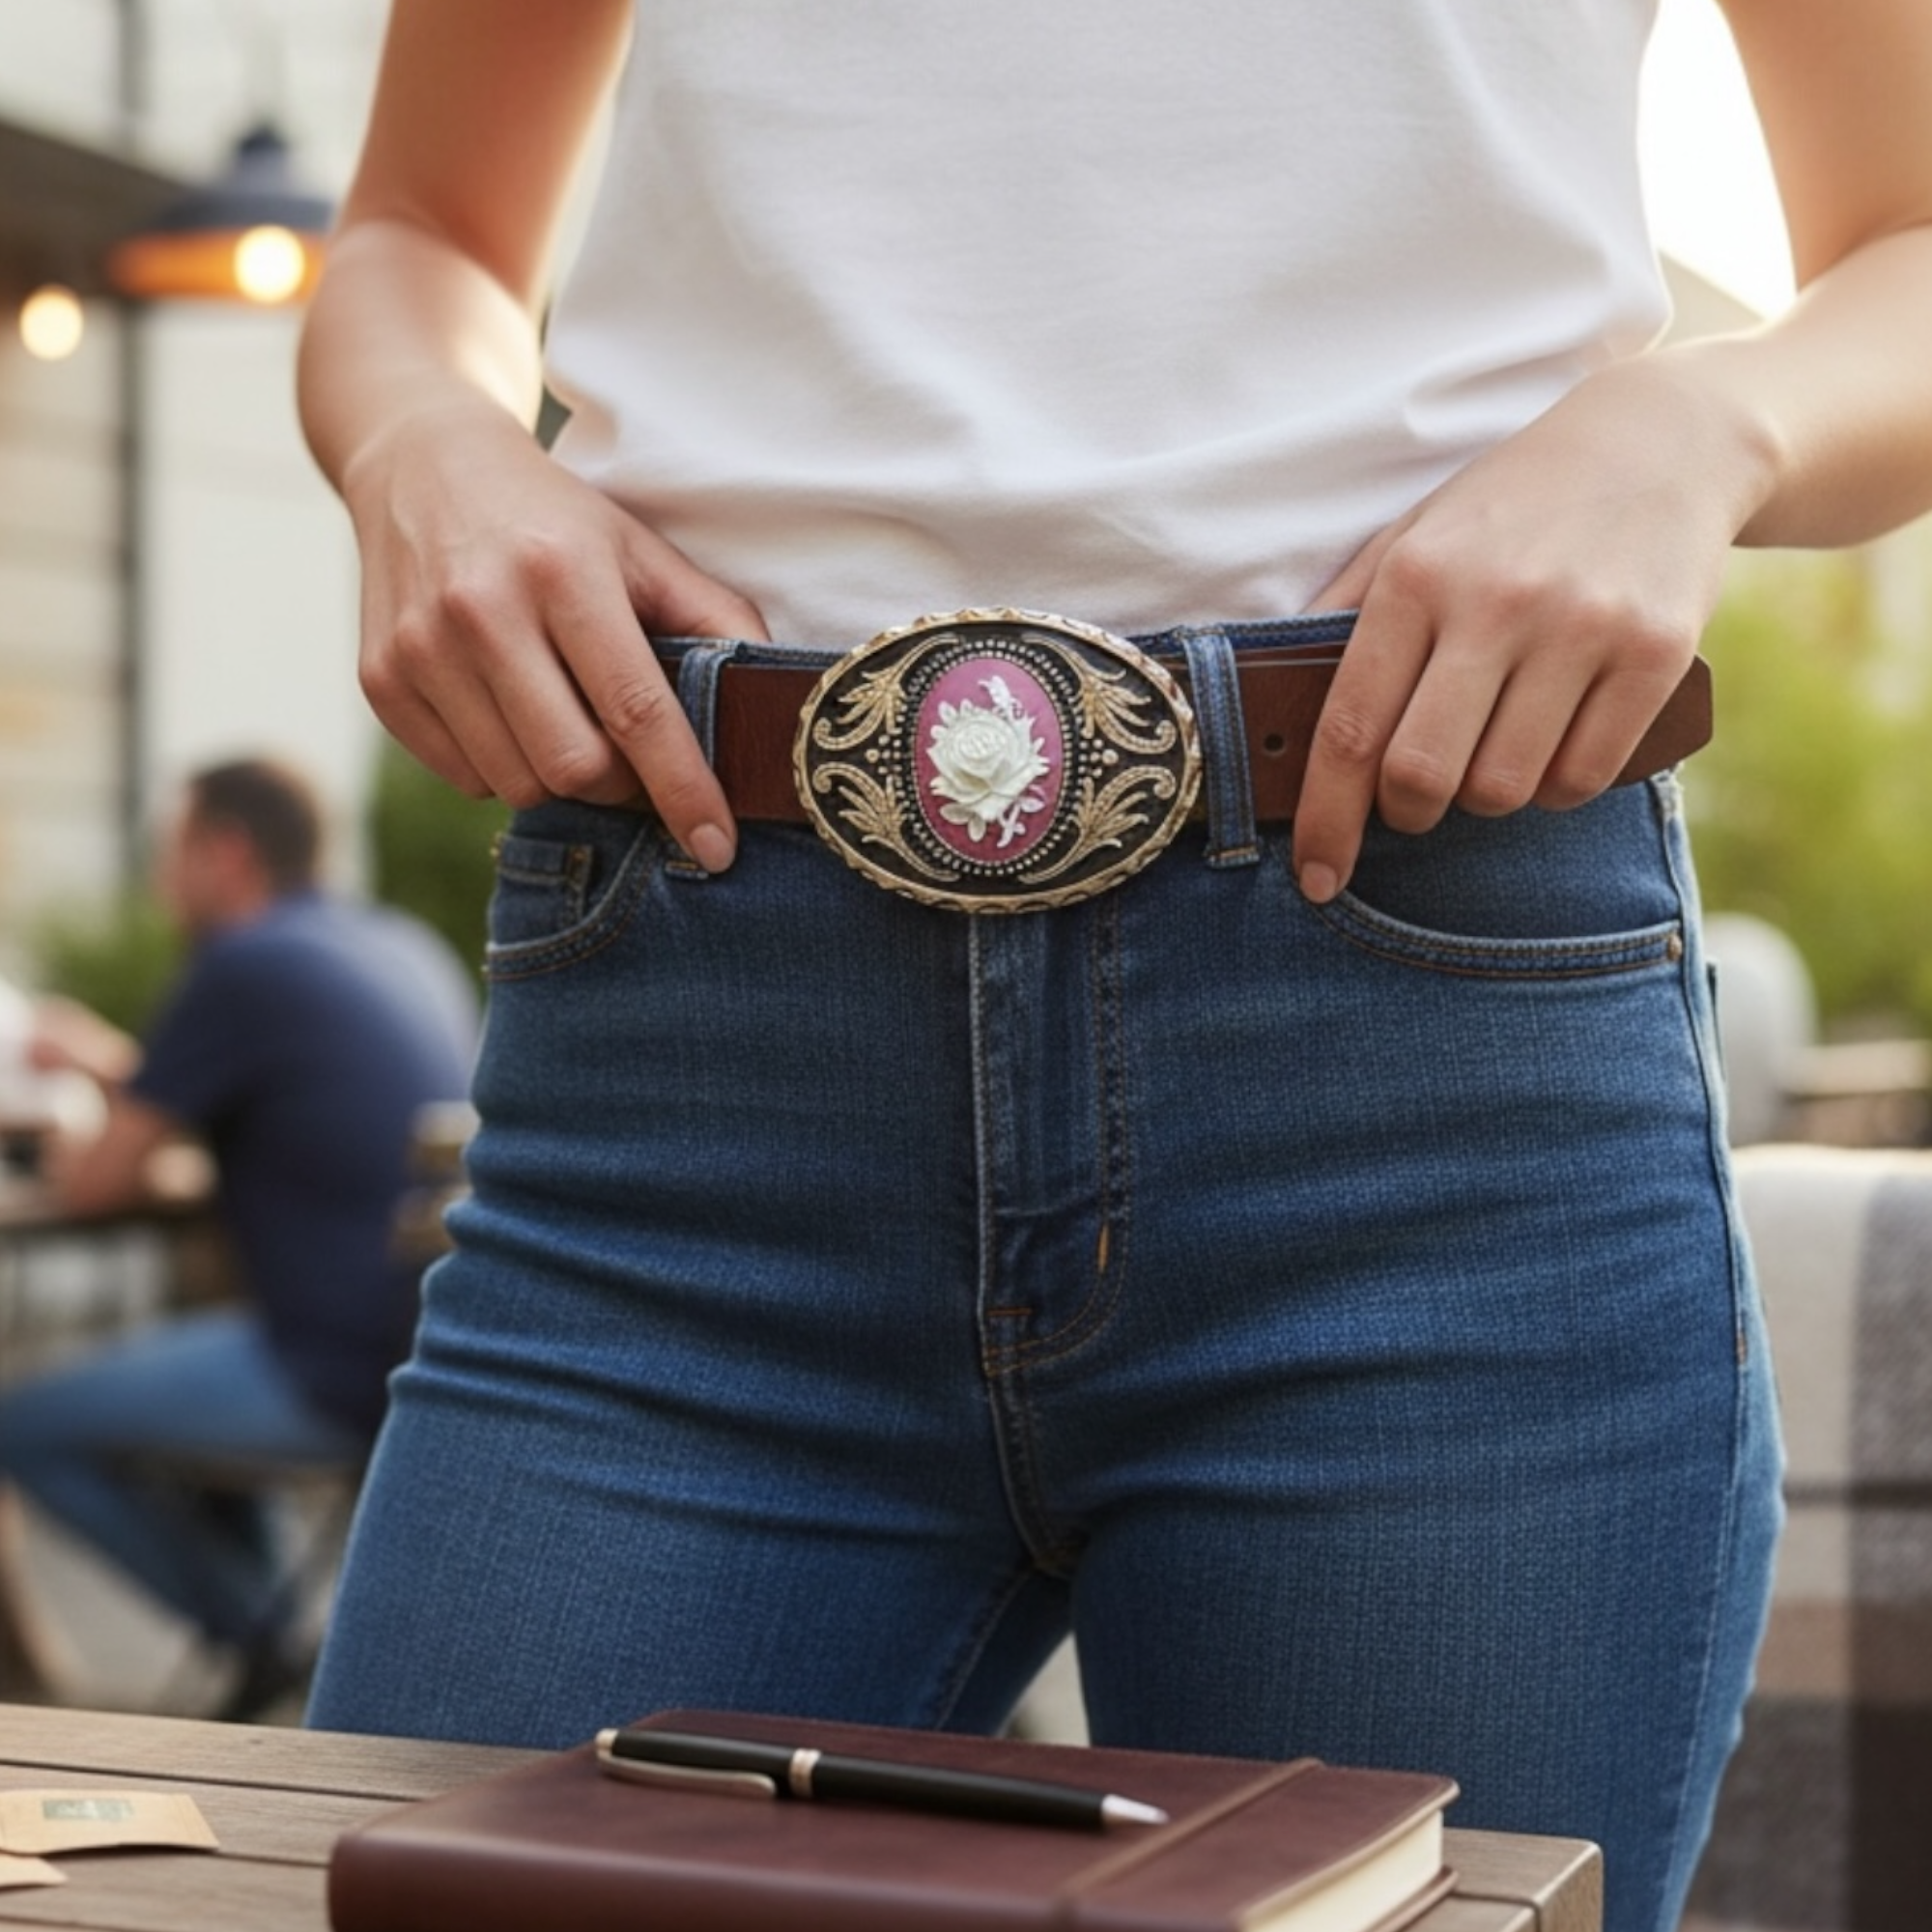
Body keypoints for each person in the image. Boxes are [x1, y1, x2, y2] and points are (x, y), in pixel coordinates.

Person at [293, 7, 1932, 1928]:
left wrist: (1692, 422)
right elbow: (425, 226)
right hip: (693, 1100)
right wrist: (421, 439)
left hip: (1419, 1093)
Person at [0, 757, 478, 1713]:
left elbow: (100, 1179)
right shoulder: (390, 939)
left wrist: (82, 1073)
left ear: (224, 852)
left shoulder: (243, 963)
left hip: (326, 1366)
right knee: (181, 1367)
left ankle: (262, 1638)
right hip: (428, 1345)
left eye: (167, 852)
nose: (157, 881)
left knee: (18, 1423)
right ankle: (273, 1634)